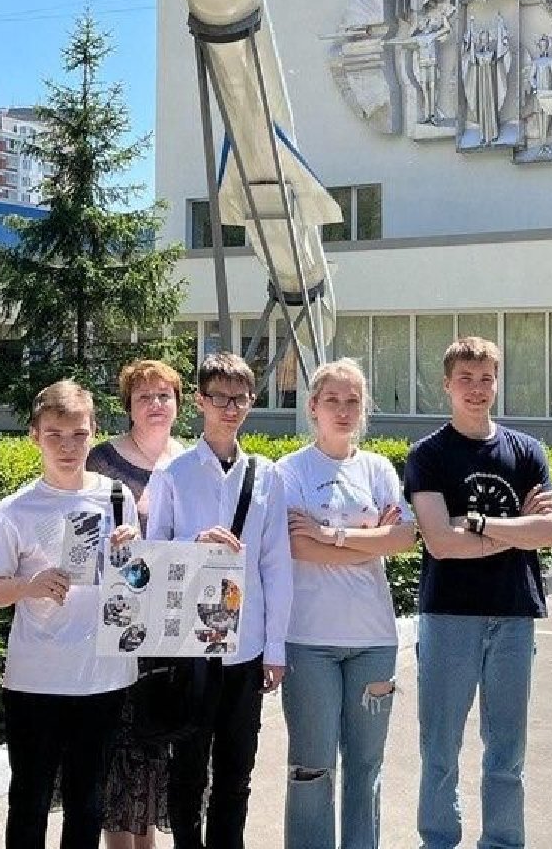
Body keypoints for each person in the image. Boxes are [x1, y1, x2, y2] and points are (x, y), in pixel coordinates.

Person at [404, 337, 552, 849]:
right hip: (450, 616)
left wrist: (475, 523)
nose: (477, 389)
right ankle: (438, 840)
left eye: (486, 379)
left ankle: (502, 841)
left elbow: (550, 530)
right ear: (447, 385)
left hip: (514, 615)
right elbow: (440, 543)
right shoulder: (428, 455)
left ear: (497, 383)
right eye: (466, 379)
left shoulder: (527, 451)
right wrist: (518, 530)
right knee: (440, 747)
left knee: (507, 751)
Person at [0, 380, 139, 849]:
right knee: (29, 801)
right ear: (35, 435)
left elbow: (134, 586)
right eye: (55, 434)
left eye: (79, 434)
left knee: (87, 803)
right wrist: (29, 586)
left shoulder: (118, 498)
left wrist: (133, 557)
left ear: (94, 433)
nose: (68, 446)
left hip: (103, 675)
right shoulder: (16, 509)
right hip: (36, 676)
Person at [146, 352, 293, 849]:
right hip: (192, 646)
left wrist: (275, 648)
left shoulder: (266, 475)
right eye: (220, 398)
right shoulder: (174, 473)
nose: (230, 409)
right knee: (188, 770)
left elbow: (276, 564)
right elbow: (153, 557)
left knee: (237, 771)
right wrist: (195, 547)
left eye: (240, 399)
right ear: (200, 402)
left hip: (247, 645)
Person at [278, 358, 415, 849]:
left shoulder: (377, 469)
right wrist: (368, 540)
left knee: (365, 766)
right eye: (332, 400)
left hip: (373, 641)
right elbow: (297, 546)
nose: (342, 410)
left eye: (352, 401)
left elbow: (403, 538)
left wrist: (330, 534)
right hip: (309, 641)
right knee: (312, 767)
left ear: (363, 409)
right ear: (312, 407)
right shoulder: (290, 471)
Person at [86, 360, 187, 849]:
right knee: (120, 749)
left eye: (164, 395)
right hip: (119, 630)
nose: (155, 404)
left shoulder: (190, 462)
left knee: (158, 746)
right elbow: (82, 539)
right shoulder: (102, 461)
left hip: (173, 629)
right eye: (144, 396)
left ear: (179, 404)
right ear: (128, 405)